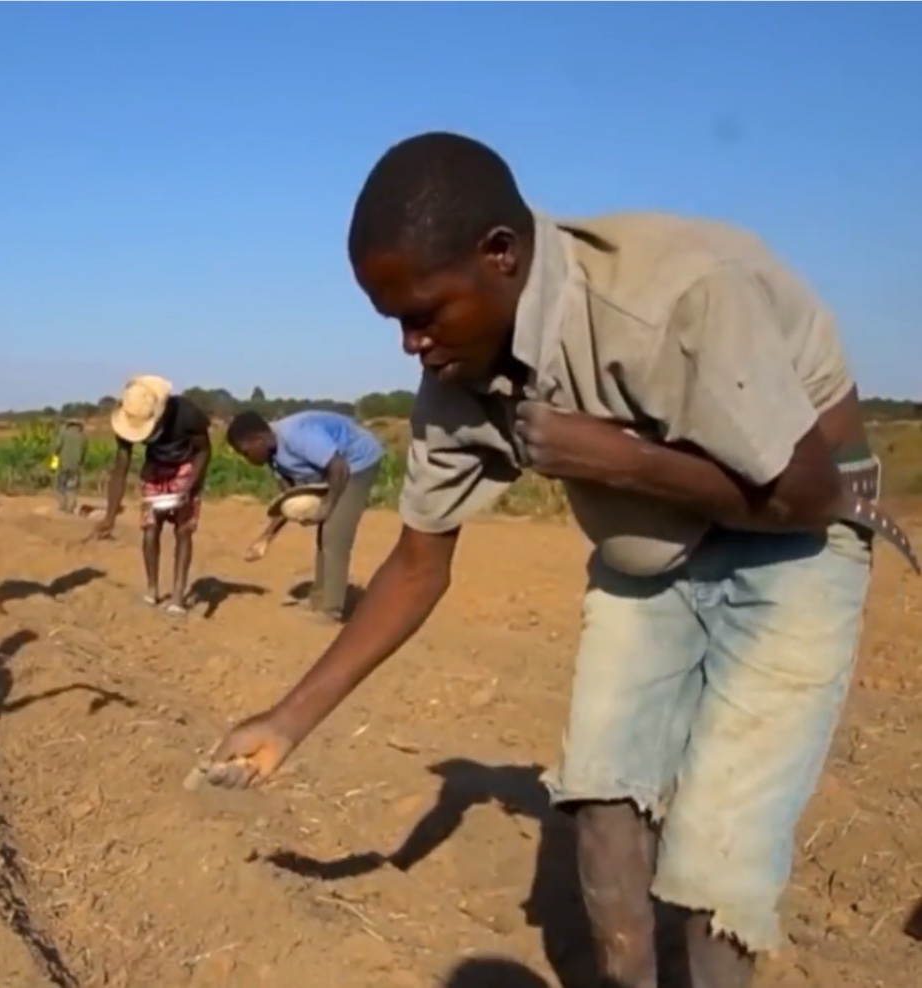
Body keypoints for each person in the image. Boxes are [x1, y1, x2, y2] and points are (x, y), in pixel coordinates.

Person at [201, 132, 917, 988]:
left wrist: (620, 460)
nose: (410, 345)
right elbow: (418, 565)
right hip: (649, 547)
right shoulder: (457, 380)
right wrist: (288, 720)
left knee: (717, 858)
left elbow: (809, 495)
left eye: (423, 314)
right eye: (394, 322)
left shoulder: (674, 299)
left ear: (500, 255)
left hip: (794, 540)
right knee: (603, 800)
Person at [226, 409, 385, 622]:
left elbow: (339, 468)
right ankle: (319, 600)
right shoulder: (273, 459)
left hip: (357, 463)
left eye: (245, 452)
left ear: (258, 439)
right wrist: (266, 538)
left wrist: (327, 506)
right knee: (325, 535)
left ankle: (331, 610)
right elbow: (289, 499)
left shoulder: (295, 436)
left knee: (334, 535)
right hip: (336, 470)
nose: (247, 459)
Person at [96, 376, 212, 615]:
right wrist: (110, 516)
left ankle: (178, 596)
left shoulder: (187, 414)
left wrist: (191, 486)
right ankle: (152, 589)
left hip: (187, 467)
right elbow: (121, 468)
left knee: (183, 530)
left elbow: (204, 450)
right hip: (155, 468)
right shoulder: (127, 421)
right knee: (150, 528)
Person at [53, 418, 87, 514]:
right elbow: (84, 451)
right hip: (76, 465)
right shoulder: (83, 435)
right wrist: (81, 463)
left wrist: (52, 465)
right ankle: (70, 508)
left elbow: (56, 449)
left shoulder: (63, 432)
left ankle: (62, 506)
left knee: (60, 486)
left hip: (63, 464)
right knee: (72, 487)